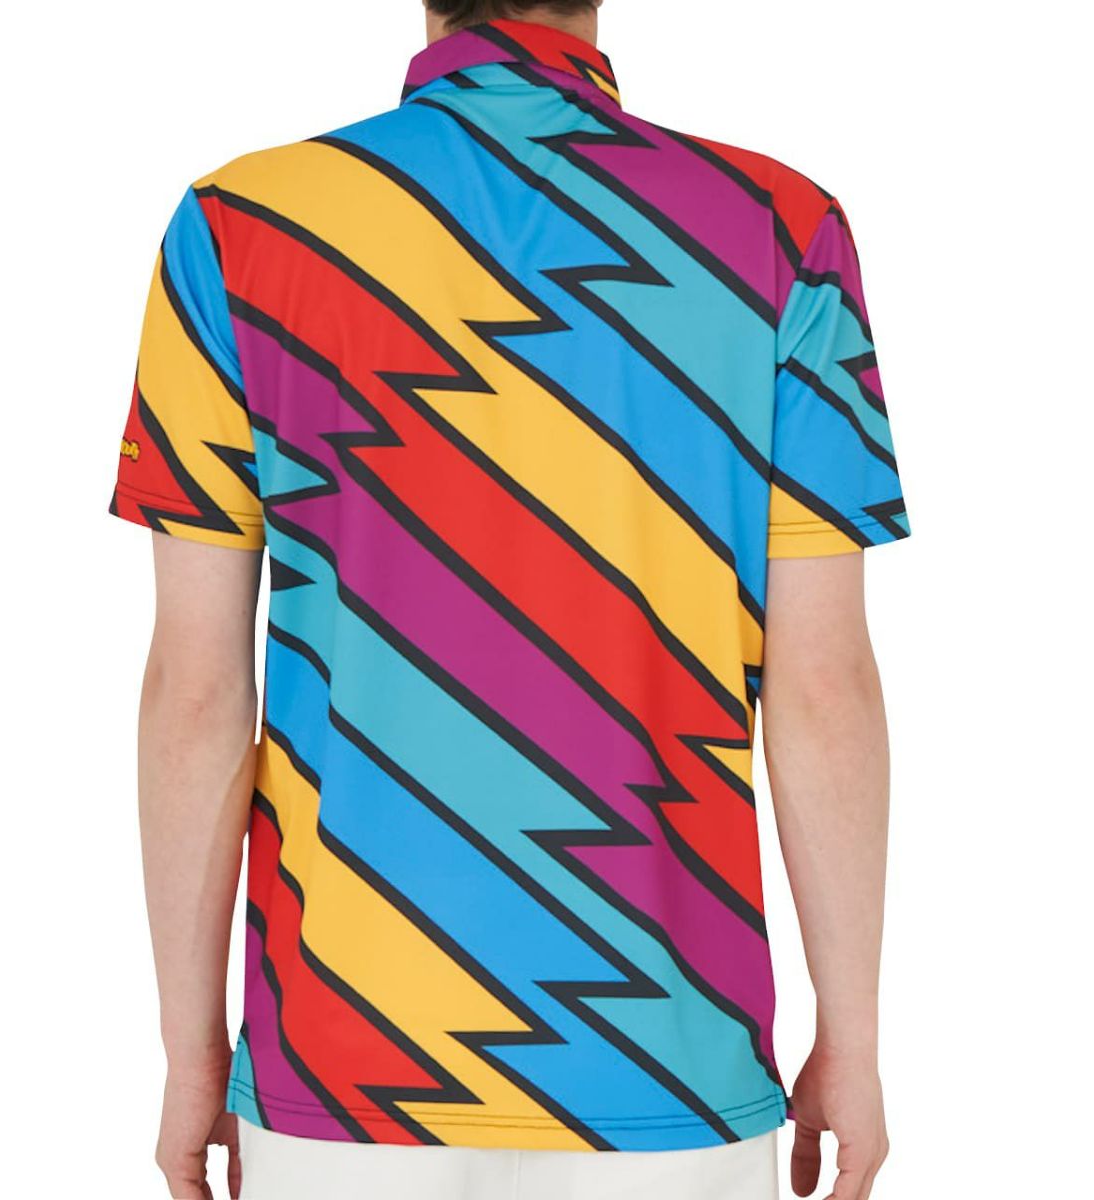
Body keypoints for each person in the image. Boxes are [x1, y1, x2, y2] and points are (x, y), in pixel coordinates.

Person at [109, 1, 908, 1196]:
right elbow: (823, 686)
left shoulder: (242, 231)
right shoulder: (778, 234)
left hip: (342, 1060)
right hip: (668, 1059)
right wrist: (854, 1036)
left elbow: (197, 693)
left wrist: (190, 1053)